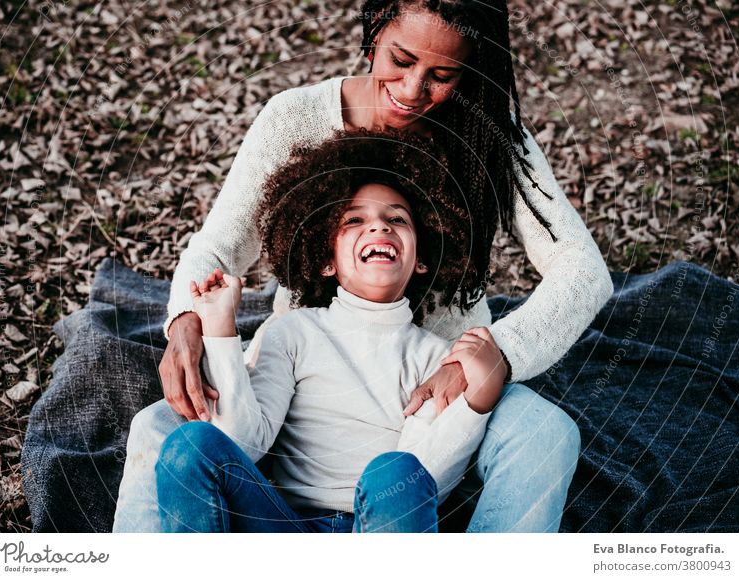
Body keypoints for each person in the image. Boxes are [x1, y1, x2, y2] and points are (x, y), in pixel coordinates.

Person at [117, 0, 612, 533]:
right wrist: (187, 319)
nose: (412, 89)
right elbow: (217, 247)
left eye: (442, 76)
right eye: (400, 60)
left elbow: (583, 269)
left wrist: (496, 354)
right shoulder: (294, 119)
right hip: (308, 389)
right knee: (159, 429)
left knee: (546, 434)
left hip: (439, 395)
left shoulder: (487, 132)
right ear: (374, 33)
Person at [155, 130, 508, 532]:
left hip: (375, 532)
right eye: (355, 220)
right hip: (283, 528)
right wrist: (220, 331)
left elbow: (425, 481)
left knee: (394, 470)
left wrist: (477, 402)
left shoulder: (436, 358)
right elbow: (243, 442)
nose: (380, 228)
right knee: (190, 446)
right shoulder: (292, 333)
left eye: (397, 219)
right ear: (326, 261)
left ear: (422, 259)